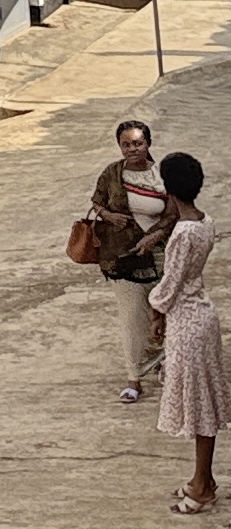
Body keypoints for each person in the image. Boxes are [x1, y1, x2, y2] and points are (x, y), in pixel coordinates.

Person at [155, 152, 231, 514]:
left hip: (187, 321)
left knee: (199, 407)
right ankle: (203, 478)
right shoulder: (205, 222)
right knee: (204, 403)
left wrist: (156, 309)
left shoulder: (183, 233)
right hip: (202, 315)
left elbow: (171, 283)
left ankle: (202, 485)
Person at [98, 120, 178, 402]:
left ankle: (165, 362)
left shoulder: (162, 176)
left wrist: (154, 237)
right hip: (122, 257)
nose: (133, 149)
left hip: (159, 255)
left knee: (163, 312)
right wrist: (109, 216)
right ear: (120, 146)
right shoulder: (112, 174)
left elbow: (172, 212)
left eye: (138, 143)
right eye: (126, 144)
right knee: (132, 318)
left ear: (148, 143)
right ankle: (134, 378)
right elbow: (97, 202)